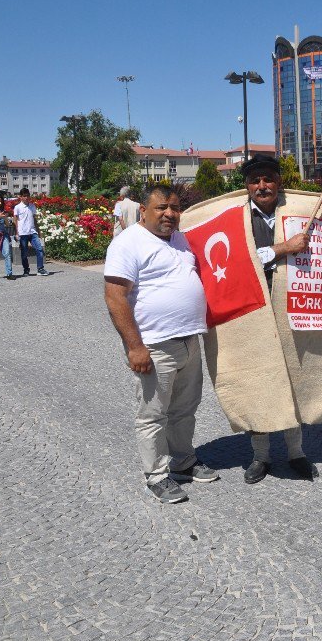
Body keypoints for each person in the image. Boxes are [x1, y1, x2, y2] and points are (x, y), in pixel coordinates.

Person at [103, 184, 219, 503]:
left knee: (185, 408)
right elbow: (115, 296)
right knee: (153, 413)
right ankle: (156, 474)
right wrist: (134, 346)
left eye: (174, 208)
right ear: (143, 210)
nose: (169, 213)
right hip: (155, 344)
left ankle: (182, 461)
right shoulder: (128, 243)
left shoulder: (180, 239)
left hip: (188, 340)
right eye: (161, 208)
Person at [241, 154, 316, 484]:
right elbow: (244, 260)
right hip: (251, 309)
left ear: (278, 182)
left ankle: (296, 452)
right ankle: (261, 456)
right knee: (256, 380)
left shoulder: (297, 214)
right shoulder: (238, 219)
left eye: (268, 179)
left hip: (290, 306)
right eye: (255, 180)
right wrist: (284, 248)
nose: (262, 186)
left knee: (292, 375)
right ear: (247, 186)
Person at [13, 188, 50, 276]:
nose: (26, 198)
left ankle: (40, 269)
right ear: (20, 197)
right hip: (23, 233)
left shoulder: (32, 206)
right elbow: (15, 221)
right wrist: (17, 233)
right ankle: (26, 270)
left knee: (40, 249)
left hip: (32, 232)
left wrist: (39, 231)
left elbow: (34, 219)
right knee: (24, 253)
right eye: (24, 196)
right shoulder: (17, 207)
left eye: (28, 196)